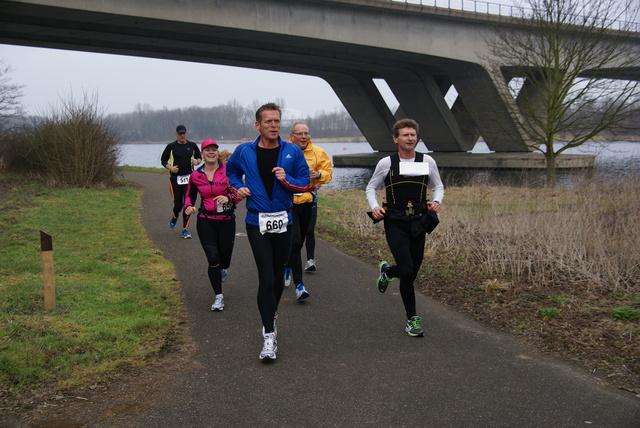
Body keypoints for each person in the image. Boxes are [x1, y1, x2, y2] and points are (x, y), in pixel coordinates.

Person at [226, 103, 310, 361]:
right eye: (268, 121)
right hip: (256, 222)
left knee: (276, 276)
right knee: (266, 278)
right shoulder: (244, 151)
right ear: (258, 125)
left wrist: (286, 179)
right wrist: (236, 189)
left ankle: (270, 315)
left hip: (284, 221)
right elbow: (230, 172)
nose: (274, 125)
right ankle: (269, 335)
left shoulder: (292, 151)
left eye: (277, 121)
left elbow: (305, 183)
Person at [365, 118, 444, 338]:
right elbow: (371, 187)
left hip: (419, 220)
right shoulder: (386, 163)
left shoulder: (427, 161)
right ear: (395, 139)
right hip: (395, 220)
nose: (410, 138)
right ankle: (412, 320)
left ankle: (388, 271)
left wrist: (437, 201)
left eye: (412, 135)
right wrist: (375, 206)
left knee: (412, 272)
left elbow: (438, 186)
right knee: (407, 270)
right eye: (405, 135)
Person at [184, 139, 240, 311]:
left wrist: (229, 198)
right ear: (201, 154)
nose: (211, 153)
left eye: (214, 150)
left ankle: (223, 269)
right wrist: (188, 206)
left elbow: (239, 194)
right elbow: (189, 195)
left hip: (226, 221)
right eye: (207, 150)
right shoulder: (196, 175)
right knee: (212, 258)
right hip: (206, 220)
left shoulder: (229, 172)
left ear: (217, 152)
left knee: (225, 259)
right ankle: (218, 296)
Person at [283, 121, 332, 300]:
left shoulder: (318, 152)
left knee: (301, 240)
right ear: (292, 136)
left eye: (306, 133)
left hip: (307, 201)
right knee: (295, 241)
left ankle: (288, 265)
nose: (304, 137)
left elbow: (328, 173)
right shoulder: (284, 151)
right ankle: (300, 286)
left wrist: (319, 175)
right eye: (300, 133)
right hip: (288, 202)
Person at [160, 125, 202, 239]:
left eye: (184, 133)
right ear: (176, 134)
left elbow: (199, 158)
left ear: (186, 134)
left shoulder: (192, 145)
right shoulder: (171, 146)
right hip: (175, 179)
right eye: (180, 134)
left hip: (189, 179)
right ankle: (175, 215)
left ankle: (185, 229)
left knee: (187, 205)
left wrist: (196, 161)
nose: (182, 136)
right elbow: (163, 160)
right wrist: (171, 168)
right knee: (178, 205)